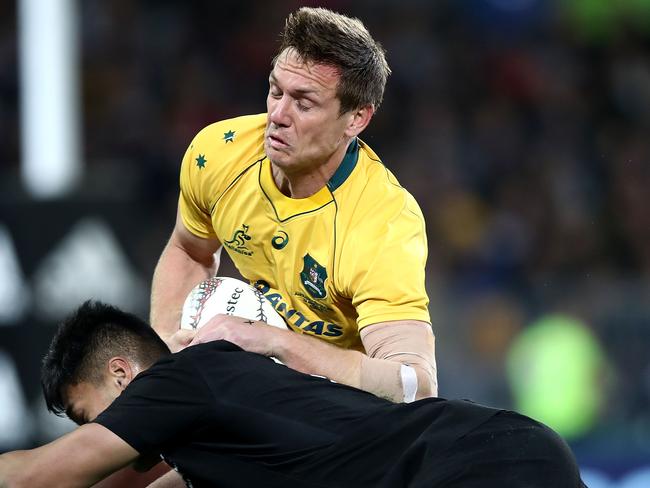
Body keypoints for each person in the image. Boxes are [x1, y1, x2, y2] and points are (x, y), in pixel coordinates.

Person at [150, 7, 436, 403]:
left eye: (304, 102)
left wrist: (271, 340)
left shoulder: (383, 223)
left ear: (356, 119)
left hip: (342, 417)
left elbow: (414, 386)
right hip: (252, 392)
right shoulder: (219, 153)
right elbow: (189, 248)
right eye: (275, 91)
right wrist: (167, 343)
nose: (277, 116)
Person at [1, 302, 584, 488]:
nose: (93, 433)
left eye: (87, 415)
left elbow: (46, 474)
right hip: (507, 452)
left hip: (472, 466)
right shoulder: (213, 438)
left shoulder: (178, 380)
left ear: (124, 374)